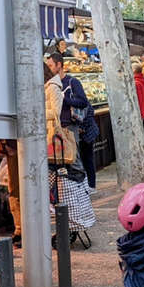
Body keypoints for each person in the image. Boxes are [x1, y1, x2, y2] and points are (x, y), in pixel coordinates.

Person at [47, 52, 97, 189]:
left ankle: (84, 188)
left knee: (74, 159)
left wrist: (63, 99)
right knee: (62, 159)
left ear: (59, 65)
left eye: (51, 65)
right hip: (57, 127)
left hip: (70, 126)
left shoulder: (72, 82)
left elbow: (83, 102)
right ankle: (70, 189)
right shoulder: (50, 84)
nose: (49, 68)